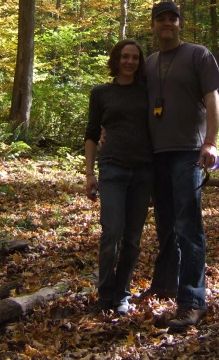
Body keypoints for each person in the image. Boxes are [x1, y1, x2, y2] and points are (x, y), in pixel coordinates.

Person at [143, 1, 219, 332]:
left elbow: (213, 100)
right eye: (160, 19)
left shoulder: (199, 55)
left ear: (180, 24)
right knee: (164, 224)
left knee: (188, 227)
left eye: (172, 19)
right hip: (155, 154)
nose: (166, 24)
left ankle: (192, 301)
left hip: (189, 151)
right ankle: (165, 284)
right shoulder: (148, 63)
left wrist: (211, 142)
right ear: (152, 25)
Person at [84, 39, 154, 315]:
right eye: (125, 57)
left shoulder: (148, 92)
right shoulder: (100, 93)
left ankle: (121, 294)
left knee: (133, 237)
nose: (129, 62)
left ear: (140, 63)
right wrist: (89, 173)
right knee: (112, 231)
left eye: (135, 58)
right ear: (116, 60)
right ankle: (105, 292)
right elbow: (91, 133)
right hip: (111, 168)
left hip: (143, 170)